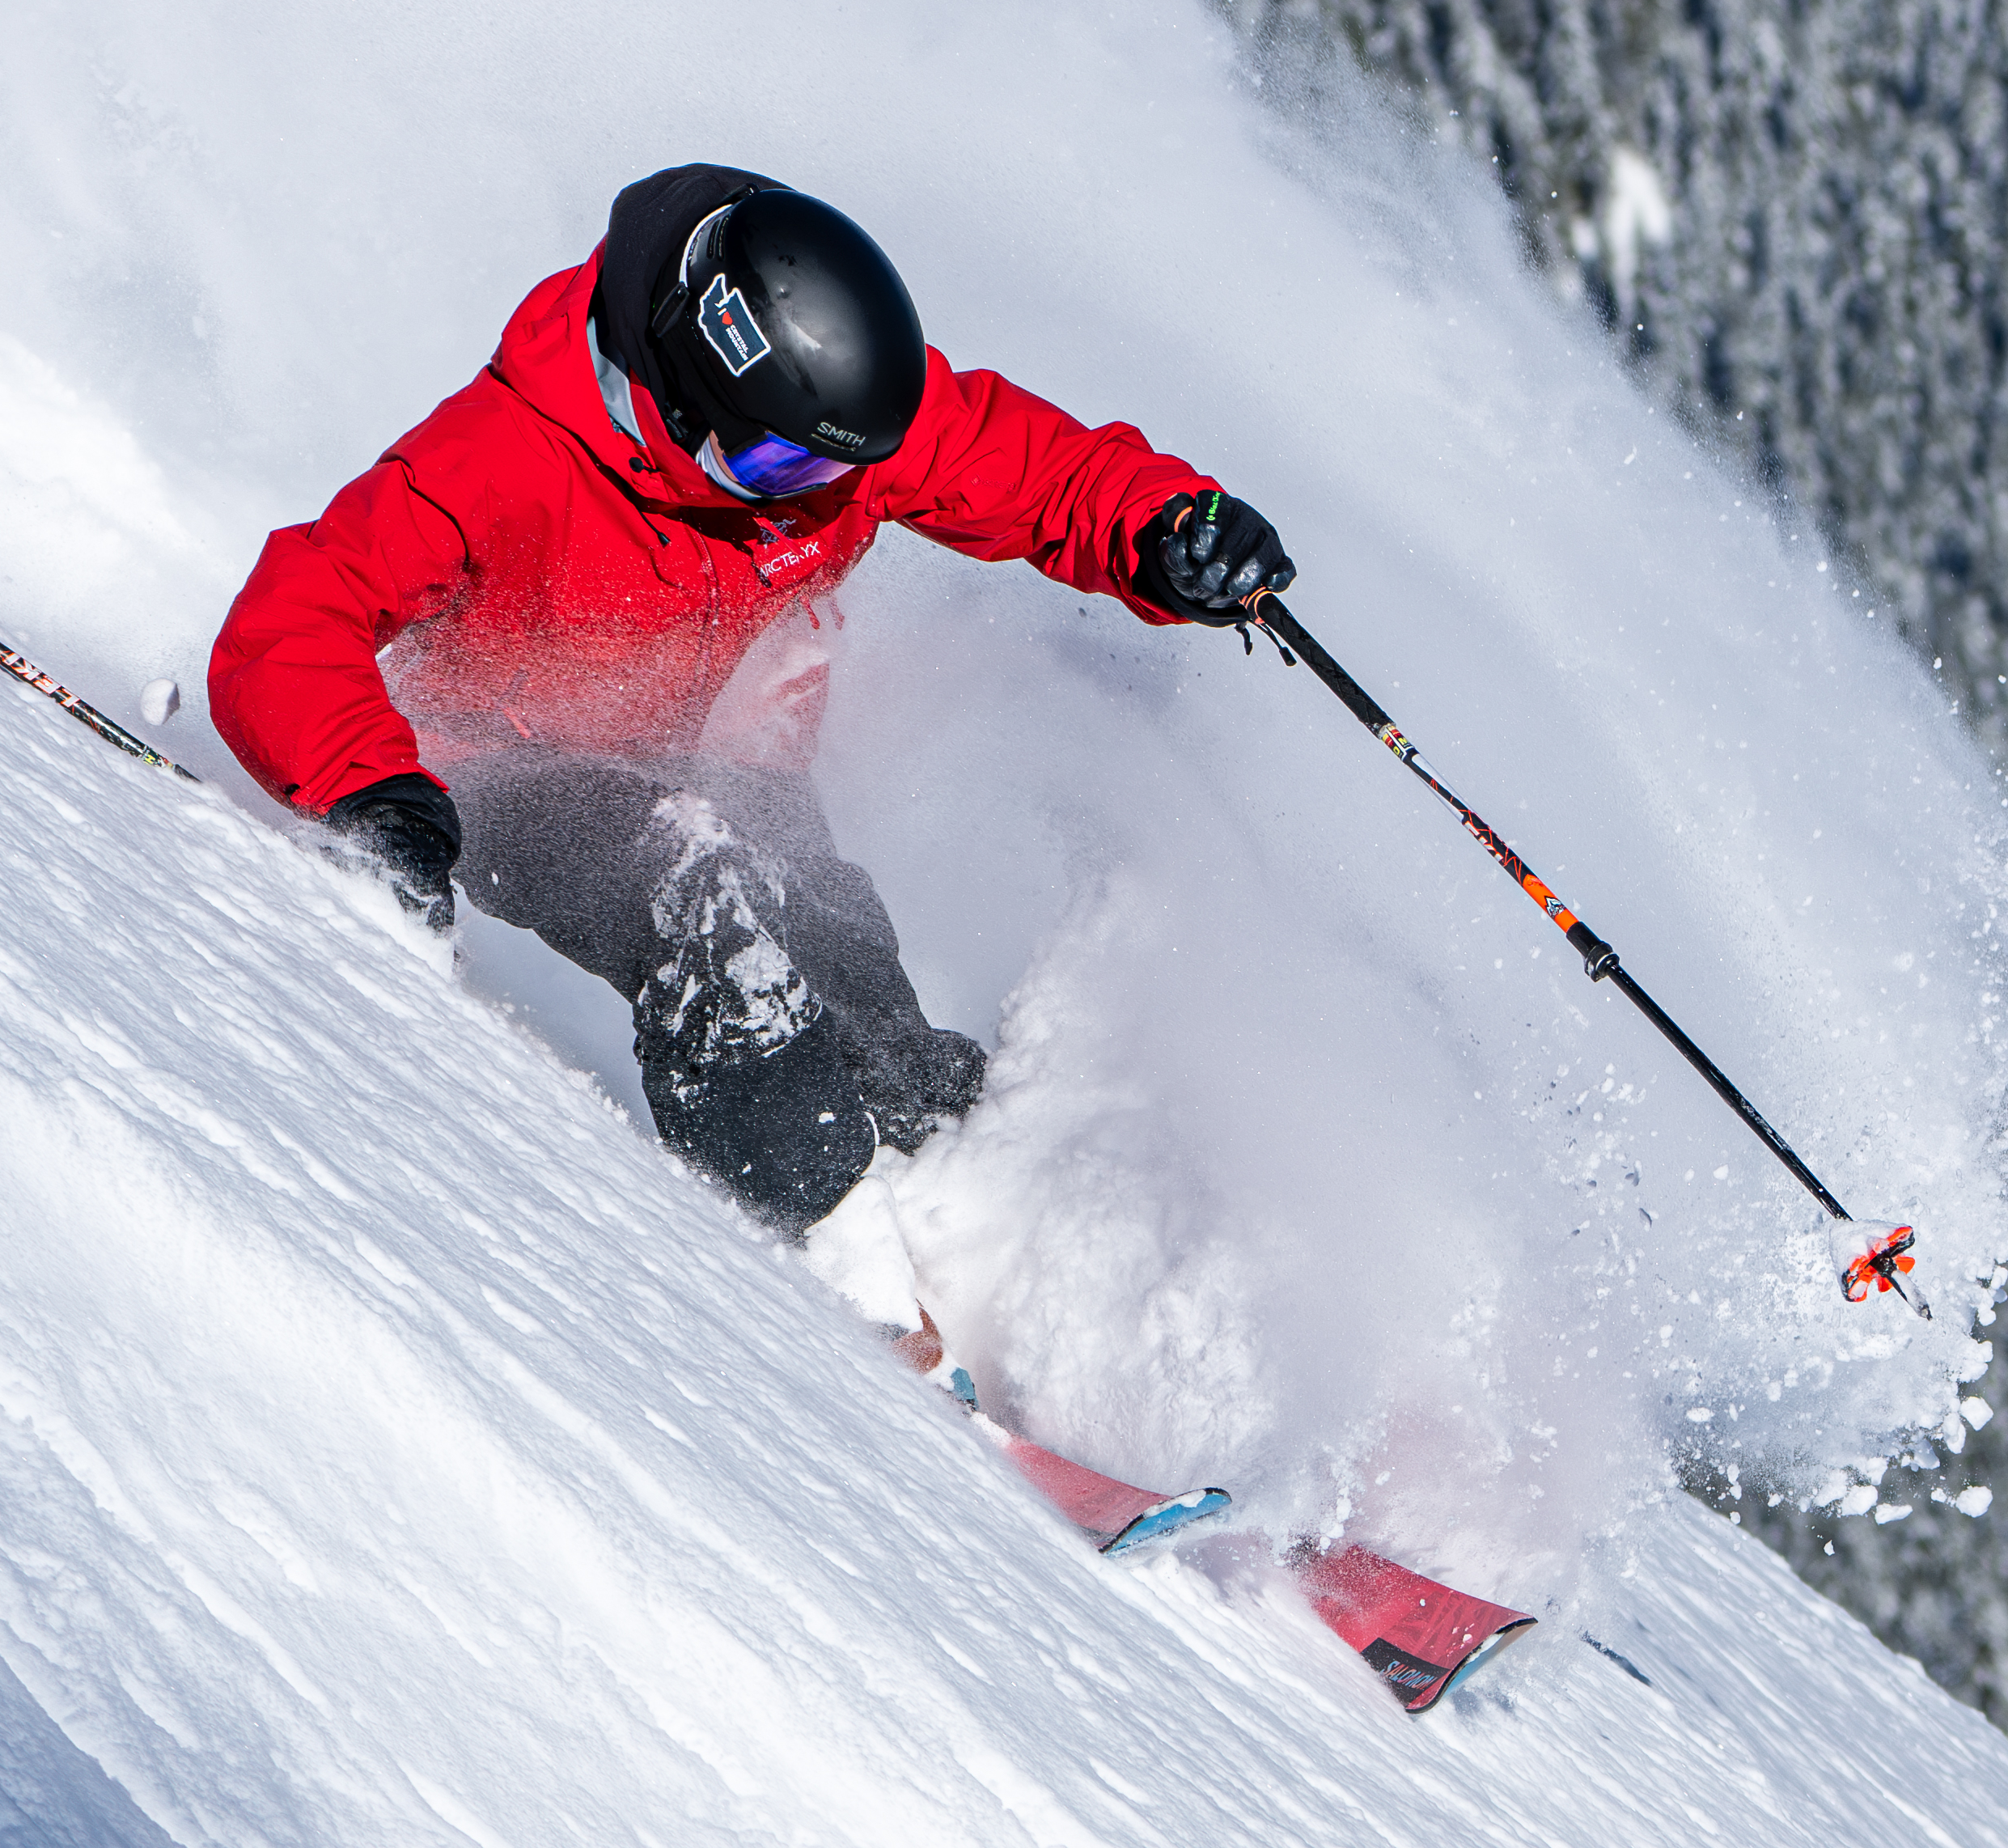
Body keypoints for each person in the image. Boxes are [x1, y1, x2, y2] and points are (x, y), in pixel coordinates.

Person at [208, 164, 1290, 1229]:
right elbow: (294, 614)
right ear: (684, 383)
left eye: (827, 472)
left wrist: (1167, 530)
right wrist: (376, 793)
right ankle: (815, 1243)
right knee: (703, 899)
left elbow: (1041, 473)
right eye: (773, 466)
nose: (804, 497)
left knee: (844, 966)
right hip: (512, 765)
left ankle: (964, 1213)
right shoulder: (500, 458)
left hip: (720, 752)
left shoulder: (826, 441)